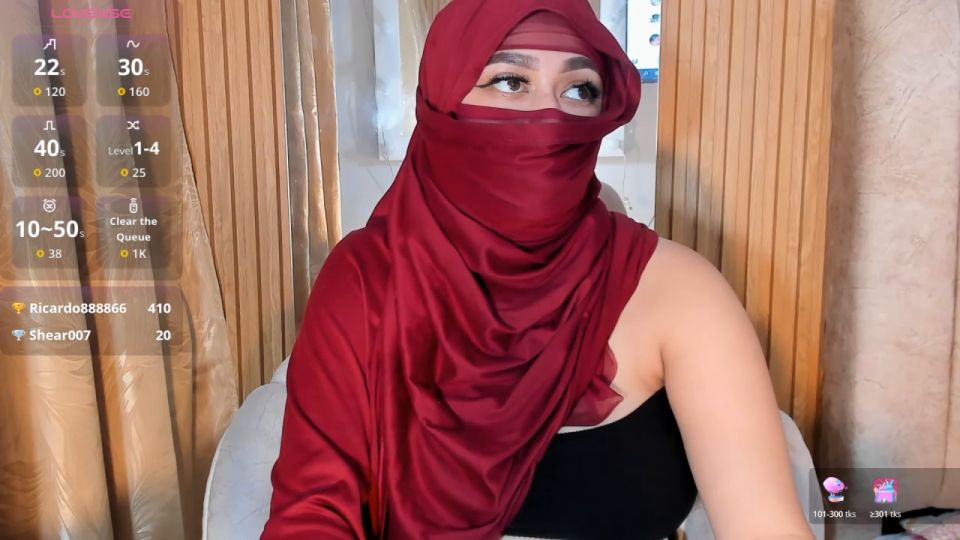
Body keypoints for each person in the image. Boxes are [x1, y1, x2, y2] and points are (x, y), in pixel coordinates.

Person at [263, 1, 814, 539]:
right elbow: (311, 514)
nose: (549, 117)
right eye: (510, 81)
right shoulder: (365, 281)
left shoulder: (682, 293)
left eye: (579, 90)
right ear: (441, 101)